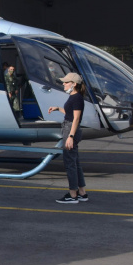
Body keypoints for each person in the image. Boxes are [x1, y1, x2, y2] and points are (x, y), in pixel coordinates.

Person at [48, 72, 88, 204]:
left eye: (66, 82)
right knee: (75, 163)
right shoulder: (74, 97)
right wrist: (58, 108)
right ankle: (82, 193)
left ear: (74, 84)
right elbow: (71, 113)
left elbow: (76, 118)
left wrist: (70, 136)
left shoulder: (76, 98)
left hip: (71, 129)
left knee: (70, 163)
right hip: (70, 127)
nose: (63, 84)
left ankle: (72, 195)